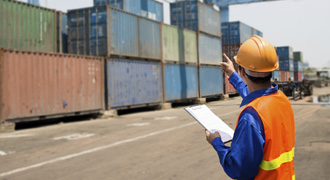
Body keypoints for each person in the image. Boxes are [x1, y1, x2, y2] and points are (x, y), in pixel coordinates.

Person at [205, 35, 295, 180]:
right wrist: (232, 73)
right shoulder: (282, 100)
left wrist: (216, 142)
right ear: (272, 70)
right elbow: (254, 94)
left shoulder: (251, 117)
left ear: (242, 72)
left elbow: (239, 170)